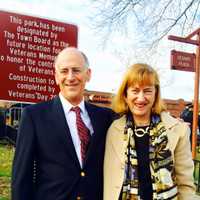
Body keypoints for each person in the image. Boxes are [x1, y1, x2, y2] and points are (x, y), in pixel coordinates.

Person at [12, 47, 114, 200]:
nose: (70, 77)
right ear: (56, 76)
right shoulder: (34, 116)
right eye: (64, 71)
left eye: (76, 70)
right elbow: (21, 178)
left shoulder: (105, 117)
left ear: (88, 74)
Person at [104, 63, 197, 200]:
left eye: (147, 91)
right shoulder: (114, 129)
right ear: (125, 95)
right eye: (135, 91)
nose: (141, 98)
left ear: (156, 94)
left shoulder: (178, 130)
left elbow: (186, 185)